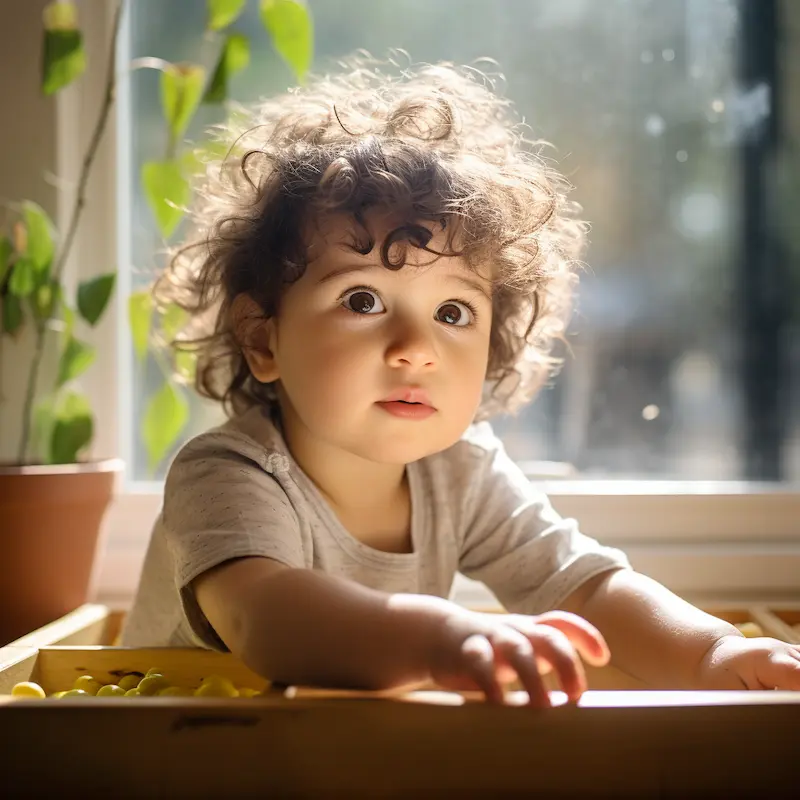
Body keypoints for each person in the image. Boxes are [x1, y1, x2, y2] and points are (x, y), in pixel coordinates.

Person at [122, 56, 800, 705]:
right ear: (262, 339)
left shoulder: (459, 471)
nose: (417, 349)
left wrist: (710, 654)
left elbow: (585, 589)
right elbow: (266, 617)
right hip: (177, 751)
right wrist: (439, 637)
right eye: (362, 301)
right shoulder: (228, 473)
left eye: (453, 312)